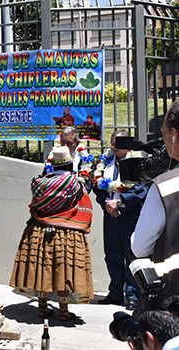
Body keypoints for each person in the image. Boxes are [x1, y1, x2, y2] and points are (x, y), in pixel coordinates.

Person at [10, 146, 94, 321]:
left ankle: (42, 308)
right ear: (71, 165)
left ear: (52, 165)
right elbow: (84, 205)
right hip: (66, 232)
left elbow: (34, 205)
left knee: (42, 268)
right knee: (61, 269)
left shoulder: (39, 183)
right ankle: (63, 311)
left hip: (39, 230)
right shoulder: (75, 184)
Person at [93, 129, 150, 311]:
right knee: (111, 254)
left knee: (130, 256)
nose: (113, 147)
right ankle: (115, 292)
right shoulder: (107, 162)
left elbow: (141, 189)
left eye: (117, 143)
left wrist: (120, 201)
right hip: (110, 216)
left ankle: (132, 295)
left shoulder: (137, 163)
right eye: (112, 143)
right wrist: (108, 204)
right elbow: (98, 186)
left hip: (129, 215)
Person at [131, 100, 179, 300]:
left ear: (175, 135)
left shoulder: (165, 187)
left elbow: (140, 246)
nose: (163, 141)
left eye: (164, 134)